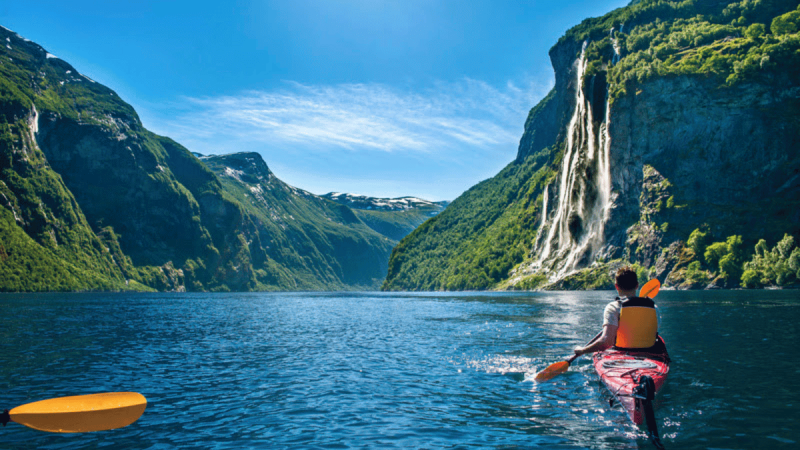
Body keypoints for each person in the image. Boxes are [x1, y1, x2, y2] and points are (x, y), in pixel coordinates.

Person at [573, 266, 667, 357]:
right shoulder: (653, 307)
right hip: (650, 353)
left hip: (622, 353)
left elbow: (607, 342)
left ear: (616, 286)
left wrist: (583, 350)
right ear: (637, 285)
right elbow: (654, 331)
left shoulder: (613, 307)